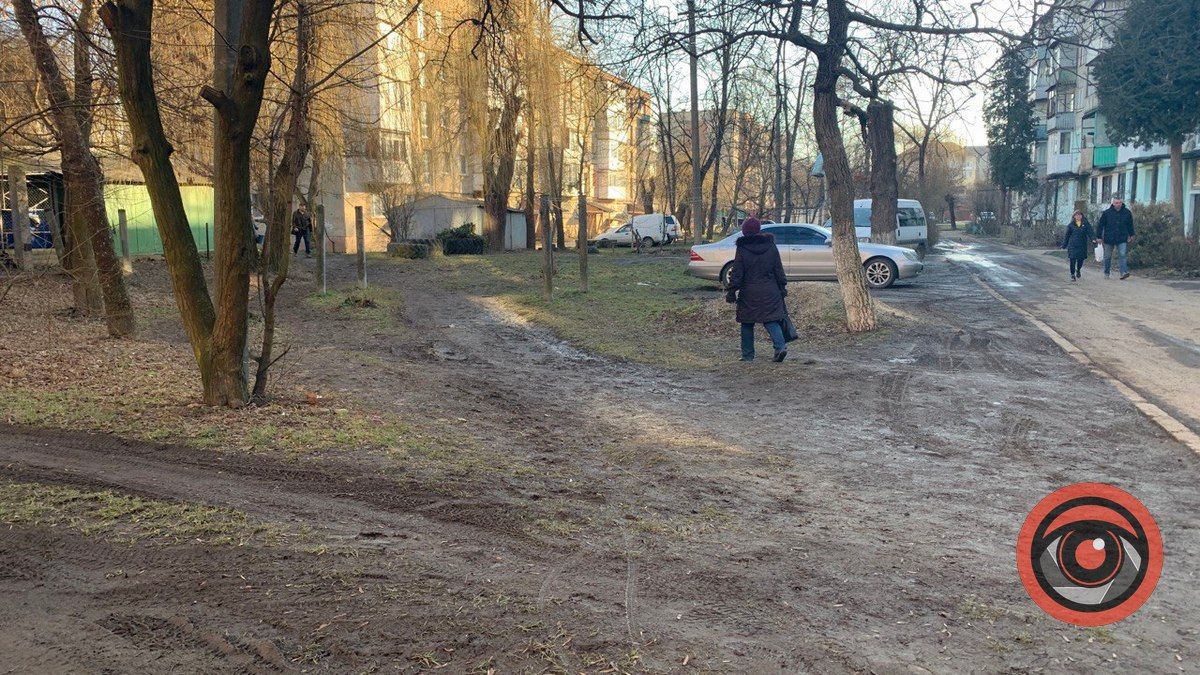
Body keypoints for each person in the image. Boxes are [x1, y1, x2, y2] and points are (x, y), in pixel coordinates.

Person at [725, 216, 789, 362]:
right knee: (771, 320)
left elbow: (737, 271)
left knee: (747, 323)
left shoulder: (742, 248)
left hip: (749, 292)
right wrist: (782, 286)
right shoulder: (771, 246)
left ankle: (747, 356)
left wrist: (732, 290)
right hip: (770, 290)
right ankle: (780, 347)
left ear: (744, 232)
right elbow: (778, 269)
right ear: (759, 230)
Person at [1094, 195, 1134, 279]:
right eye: (1116, 203)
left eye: (1120, 202)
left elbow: (1130, 225)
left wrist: (1131, 234)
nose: (1118, 204)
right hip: (1109, 238)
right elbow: (1100, 225)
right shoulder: (1106, 213)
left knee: (1122, 254)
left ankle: (1123, 272)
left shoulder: (1127, 213)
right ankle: (1106, 272)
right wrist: (1098, 237)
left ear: (1122, 203)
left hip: (1122, 237)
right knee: (1107, 256)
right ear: (1113, 203)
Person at [1061, 210, 1093, 281]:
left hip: (1082, 245)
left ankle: (1078, 269)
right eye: (1077, 215)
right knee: (1072, 260)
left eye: (1080, 215)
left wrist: (1093, 239)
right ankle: (1072, 274)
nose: (1078, 216)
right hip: (1073, 245)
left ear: (1082, 216)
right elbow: (1067, 236)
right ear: (1074, 216)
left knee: (1080, 260)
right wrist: (1064, 244)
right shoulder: (1071, 225)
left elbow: (1090, 232)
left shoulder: (1086, 224)